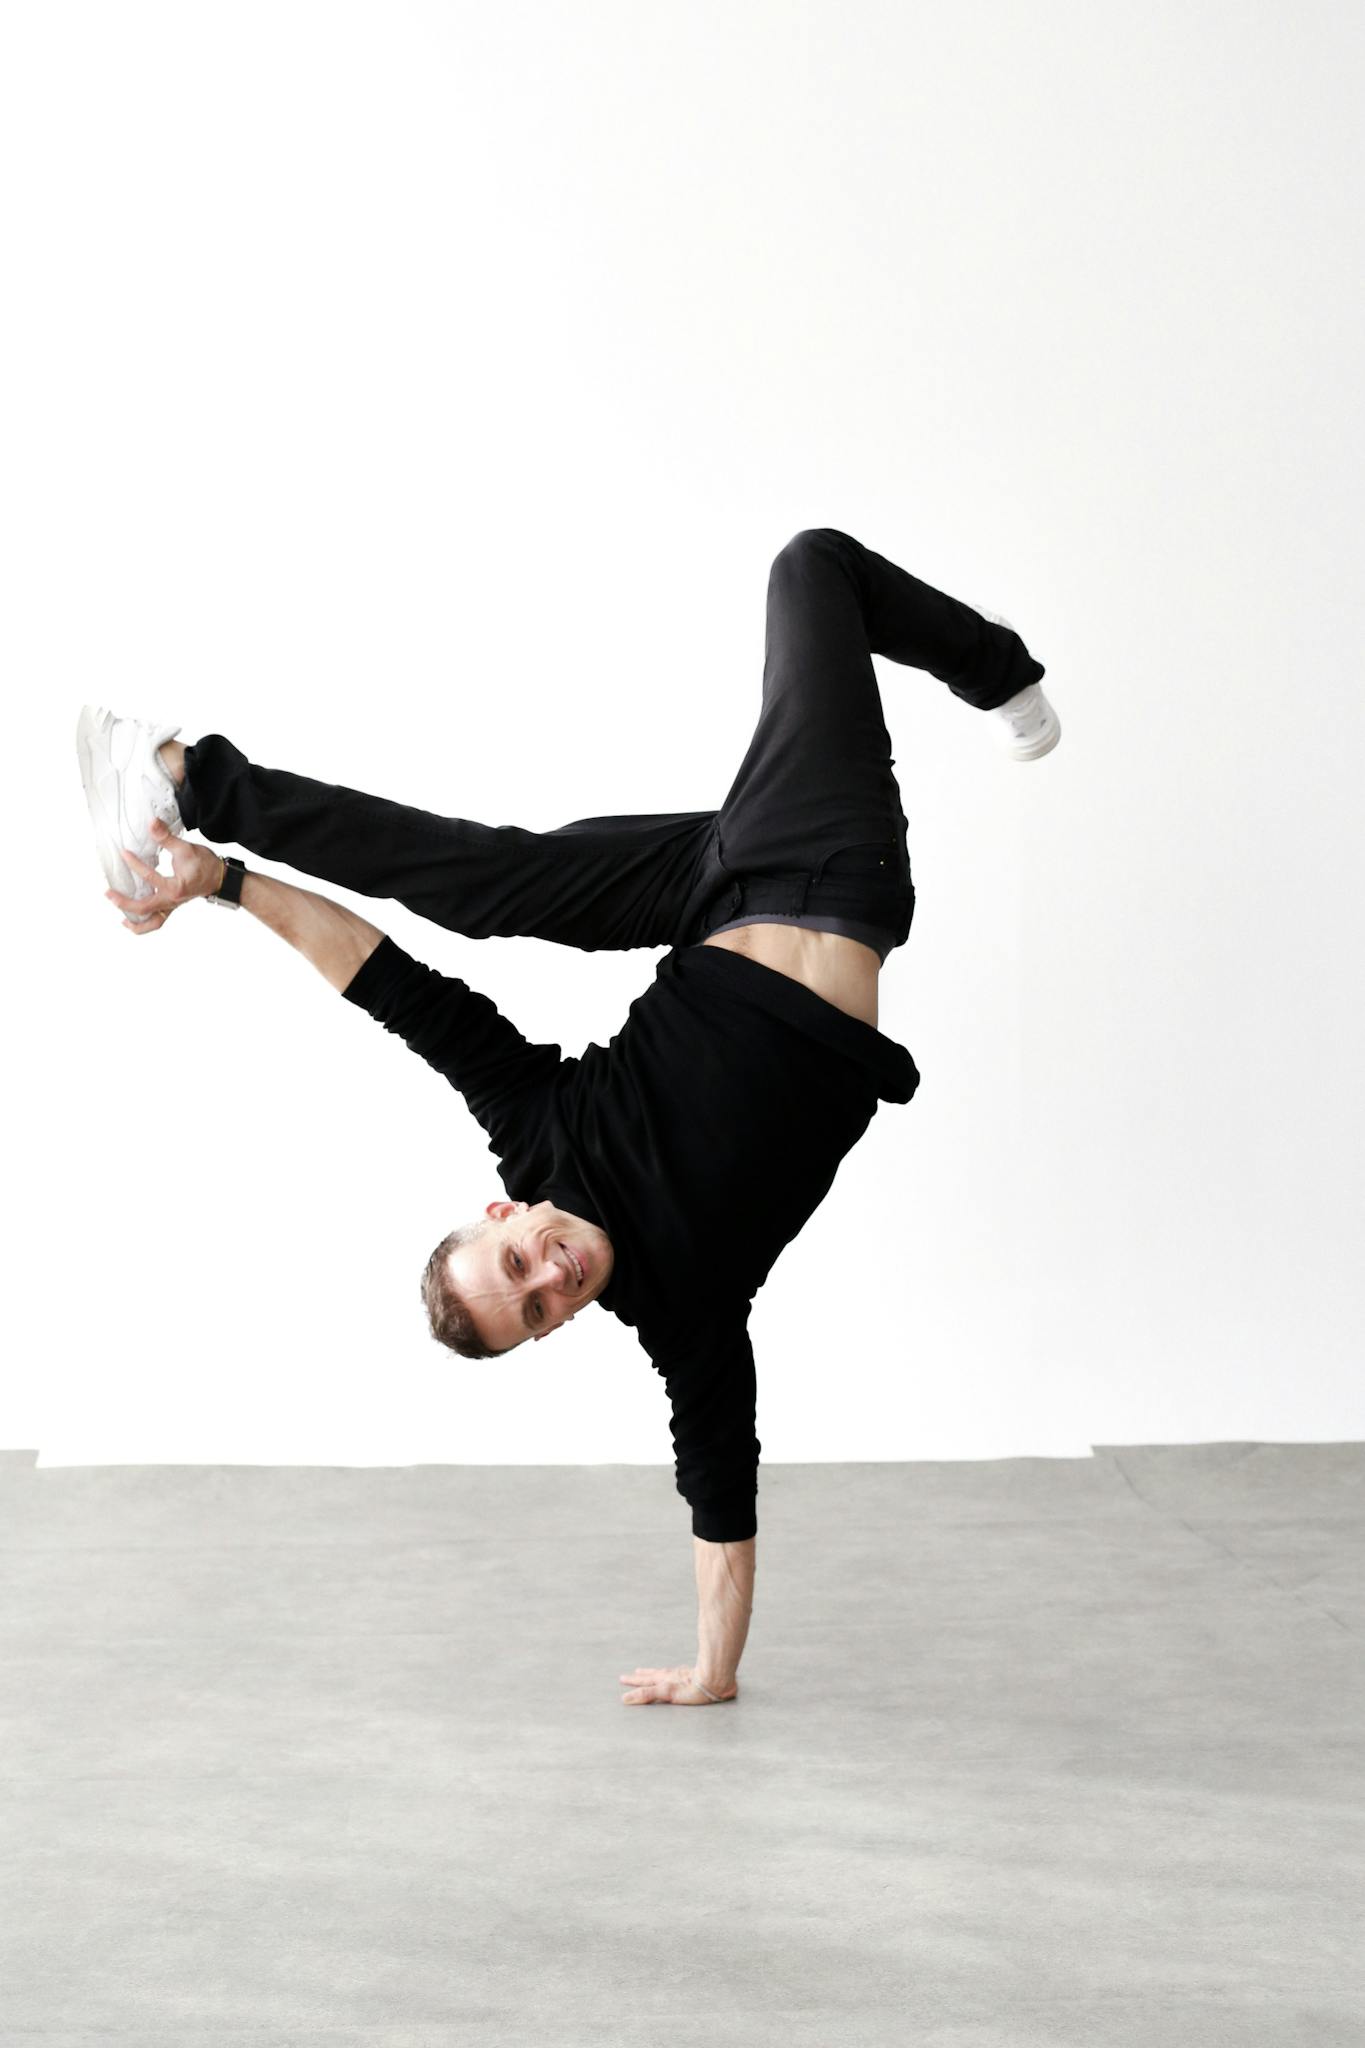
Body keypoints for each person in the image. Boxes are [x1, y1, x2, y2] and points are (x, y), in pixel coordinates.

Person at [78, 527, 1059, 1707]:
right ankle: (1000, 667)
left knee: (481, 883)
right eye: (540, 1309)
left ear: (503, 1211)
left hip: (709, 876)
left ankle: (182, 776)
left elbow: (381, 979)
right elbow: (722, 1507)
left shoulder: (540, 1130)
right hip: (830, 864)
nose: (553, 1274)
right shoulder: (685, 1309)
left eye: (517, 1261)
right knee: (816, 574)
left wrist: (222, 882)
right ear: (552, 1327)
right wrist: (712, 1671)